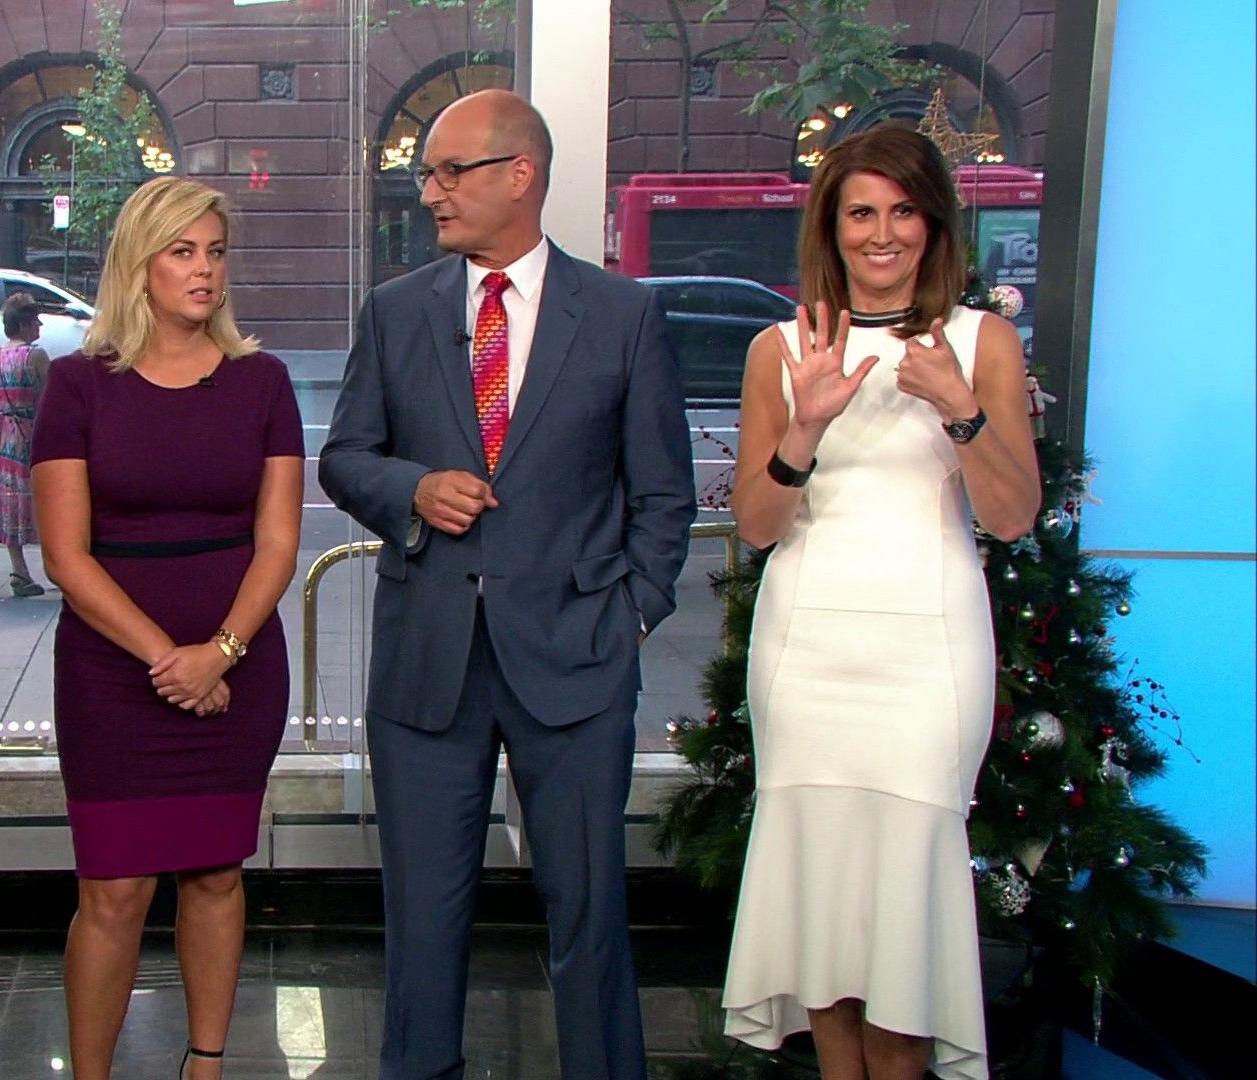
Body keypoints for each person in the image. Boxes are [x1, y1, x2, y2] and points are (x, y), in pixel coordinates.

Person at [318, 89, 696, 1080]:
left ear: (520, 174)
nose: (430, 193)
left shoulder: (621, 315)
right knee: (422, 921)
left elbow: (664, 494)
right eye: (426, 175)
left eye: (451, 172)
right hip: (427, 665)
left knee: (589, 914)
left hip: (577, 660)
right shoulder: (397, 312)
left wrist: (630, 616)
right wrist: (411, 489)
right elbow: (345, 457)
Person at [721, 125, 1041, 1080]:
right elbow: (758, 524)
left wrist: (960, 409)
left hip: (926, 663)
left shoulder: (981, 342)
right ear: (832, 226)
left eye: (903, 211)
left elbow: (1013, 517)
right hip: (807, 657)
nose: (882, 233)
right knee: (823, 919)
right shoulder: (780, 349)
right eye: (861, 212)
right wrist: (806, 427)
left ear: (933, 223)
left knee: (904, 917)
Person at [31, 175, 303, 1080]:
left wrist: (219, 654)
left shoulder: (263, 382)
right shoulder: (76, 385)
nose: (204, 270)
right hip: (113, 674)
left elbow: (278, 544)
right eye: (182, 252)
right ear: (138, 265)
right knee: (114, 888)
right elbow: (66, 555)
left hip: (239, 663)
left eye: (215, 252)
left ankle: (205, 1066)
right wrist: (167, 660)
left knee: (216, 873)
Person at [0, 291, 52, 597]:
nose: (39, 325)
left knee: (9, 499)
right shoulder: (34, 356)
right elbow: (52, 399)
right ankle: (58, 566)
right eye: (36, 320)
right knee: (43, 499)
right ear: (25, 324)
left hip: (0, 433)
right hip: (28, 432)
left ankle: (19, 569)